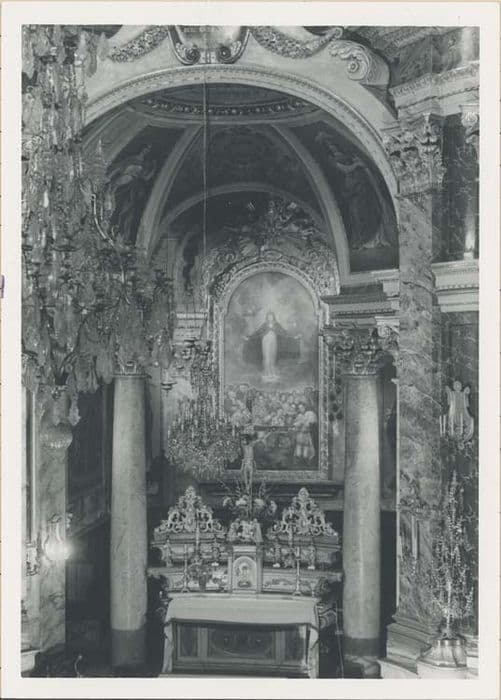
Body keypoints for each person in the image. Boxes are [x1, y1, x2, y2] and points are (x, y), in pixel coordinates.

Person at [243, 311, 300, 383]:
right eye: (269, 316)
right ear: (267, 317)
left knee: (273, 355)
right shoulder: (264, 325)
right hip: (265, 341)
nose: (270, 318)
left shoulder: (276, 325)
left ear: (273, 317)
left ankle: (272, 372)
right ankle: (266, 373)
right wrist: (249, 337)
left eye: (271, 316)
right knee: (266, 356)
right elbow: (257, 332)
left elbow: (284, 332)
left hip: (273, 341)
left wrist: (294, 337)